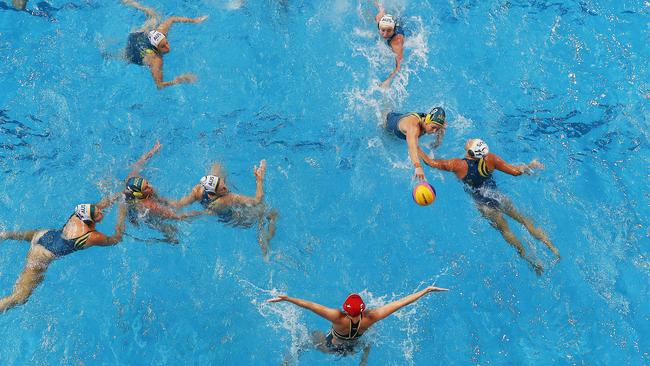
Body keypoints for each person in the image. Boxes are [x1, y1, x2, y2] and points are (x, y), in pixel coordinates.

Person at [421, 138, 560, 274]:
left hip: (484, 205)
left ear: (470, 152)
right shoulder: (491, 159)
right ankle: (553, 249)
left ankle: (530, 260)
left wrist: (414, 148)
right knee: (523, 220)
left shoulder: (458, 165)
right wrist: (530, 165)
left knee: (506, 231)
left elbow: (430, 162)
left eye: (472, 141)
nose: (470, 139)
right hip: (499, 197)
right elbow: (516, 172)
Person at [0, 198, 127, 313]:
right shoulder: (92, 236)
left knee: (23, 235)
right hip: (41, 255)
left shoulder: (79, 214)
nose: (100, 211)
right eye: (98, 213)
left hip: (43, 234)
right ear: (90, 220)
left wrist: (118, 197)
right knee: (21, 297)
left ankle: (5, 235)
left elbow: (98, 205)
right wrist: (121, 215)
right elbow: (116, 239)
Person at [267, 285, 448, 361]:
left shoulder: (337, 317)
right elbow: (400, 303)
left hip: (334, 347)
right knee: (370, 337)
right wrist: (425, 291)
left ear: (345, 309)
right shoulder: (371, 318)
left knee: (307, 339)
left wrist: (288, 299)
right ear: (362, 309)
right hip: (355, 347)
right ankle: (363, 360)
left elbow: (310, 306)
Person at [166, 160, 277, 259]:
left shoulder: (198, 190)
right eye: (222, 188)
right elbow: (257, 200)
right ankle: (264, 243)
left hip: (216, 211)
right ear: (214, 193)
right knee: (269, 213)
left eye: (222, 182)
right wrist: (259, 180)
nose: (225, 187)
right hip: (234, 218)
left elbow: (178, 204)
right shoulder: (228, 199)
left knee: (217, 165)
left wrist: (157, 198)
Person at [124, 141, 201, 243]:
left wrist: (153, 150)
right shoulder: (150, 206)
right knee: (172, 232)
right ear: (139, 194)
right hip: (145, 217)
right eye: (146, 188)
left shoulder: (131, 180)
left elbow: (138, 163)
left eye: (147, 183)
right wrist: (201, 213)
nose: (150, 186)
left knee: (171, 203)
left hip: (135, 203)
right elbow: (177, 217)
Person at [122, 0, 208, 89]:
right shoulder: (156, 59)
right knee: (124, 57)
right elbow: (159, 85)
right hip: (134, 50)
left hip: (137, 35)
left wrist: (194, 20)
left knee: (154, 16)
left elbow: (172, 19)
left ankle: (131, 3)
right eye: (163, 46)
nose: (168, 47)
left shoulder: (161, 32)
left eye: (166, 42)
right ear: (156, 48)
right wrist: (181, 79)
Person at [384, 107, 447, 181]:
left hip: (402, 117)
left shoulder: (432, 122)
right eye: (433, 127)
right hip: (389, 124)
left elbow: (442, 127)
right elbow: (412, 147)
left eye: (437, 128)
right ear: (427, 120)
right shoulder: (413, 128)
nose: (434, 131)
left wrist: (437, 142)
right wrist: (418, 166)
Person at [373, 1, 405, 88]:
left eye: (389, 31)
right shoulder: (379, 19)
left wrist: (388, 80)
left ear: (393, 30)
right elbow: (379, 5)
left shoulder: (396, 41)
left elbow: (399, 65)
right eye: (383, 30)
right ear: (379, 27)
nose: (385, 34)